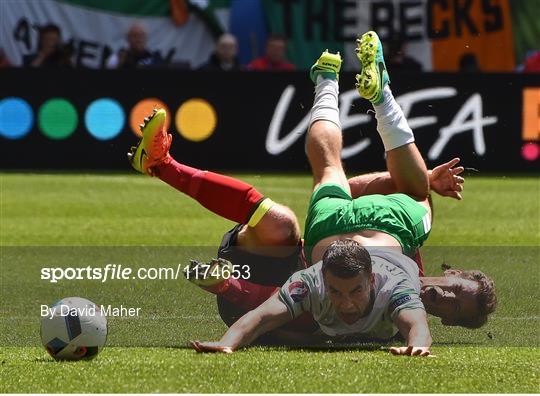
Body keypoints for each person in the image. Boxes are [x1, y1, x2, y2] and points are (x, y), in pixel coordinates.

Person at [126, 34, 495, 353]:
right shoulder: (399, 274)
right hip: (351, 231)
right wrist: (425, 181)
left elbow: (285, 309)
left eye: (455, 308)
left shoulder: (373, 301)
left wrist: (228, 287)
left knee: (307, 198)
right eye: (456, 290)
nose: (445, 299)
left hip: (288, 253)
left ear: (450, 323)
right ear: (455, 271)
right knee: (402, 189)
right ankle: (364, 90)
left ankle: (332, 84)